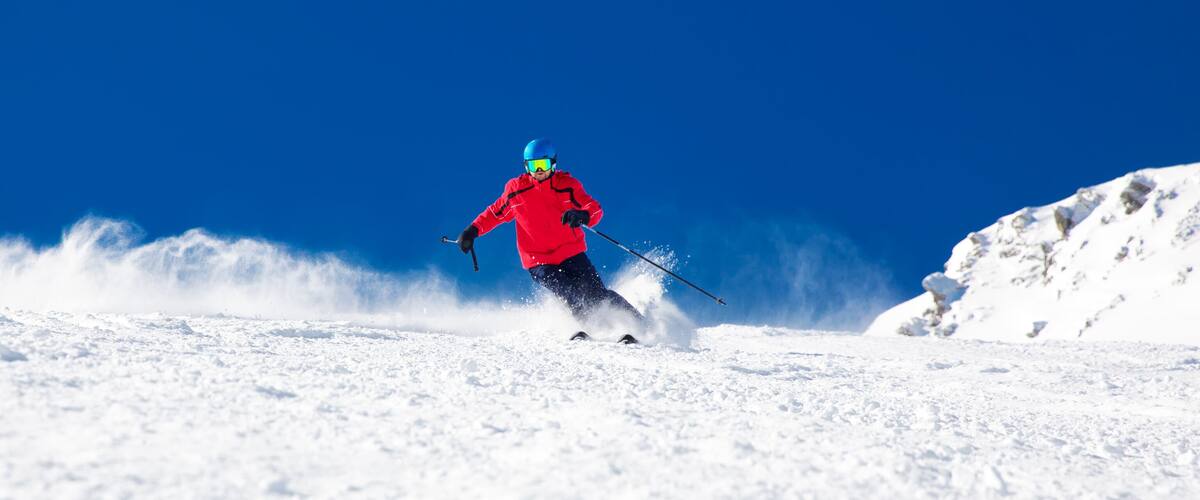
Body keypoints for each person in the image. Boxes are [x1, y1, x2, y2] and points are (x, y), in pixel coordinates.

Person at [458, 138, 644, 343]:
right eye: (533, 165)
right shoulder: (516, 190)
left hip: (571, 253)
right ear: (526, 166)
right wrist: (472, 231)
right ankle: (596, 330)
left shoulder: (567, 186)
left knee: (597, 295)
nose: (538, 170)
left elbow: (594, 208)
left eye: (543, 165)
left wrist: (582, 215)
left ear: (553, 164)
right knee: (568, 292)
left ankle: (641, 326)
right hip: (539, 261)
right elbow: (494, 213)